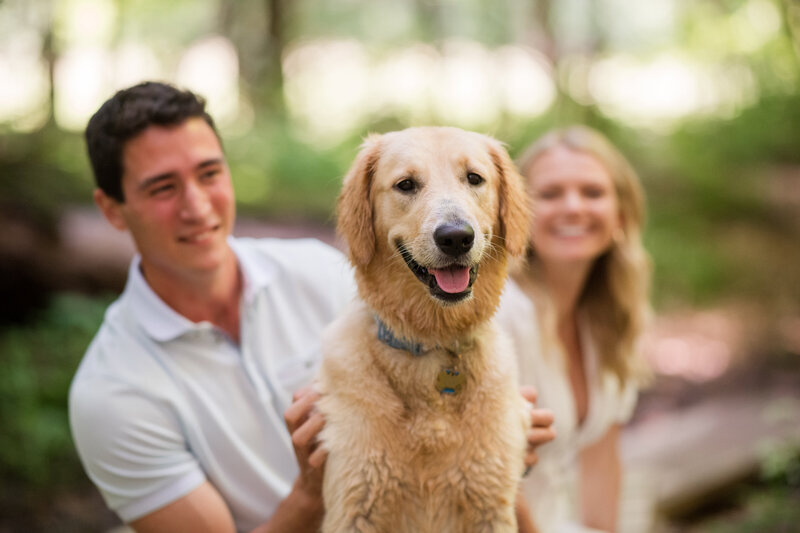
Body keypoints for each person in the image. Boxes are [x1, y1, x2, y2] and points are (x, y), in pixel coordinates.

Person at [69, 81, 554, 533]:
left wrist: (496, 457)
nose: (197, 205)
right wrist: (311, 490)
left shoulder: (322, 274)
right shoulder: (112, 392)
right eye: (163, 188)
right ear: (111, 209)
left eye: (209, 173)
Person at [497, 125, 651, 533]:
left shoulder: (612, 317)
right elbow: (487, 479)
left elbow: (602, 459)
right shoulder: (501, 315)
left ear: (620, 213)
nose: (573, 207)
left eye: (593, 193)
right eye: (549, 194)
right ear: (518, 213)